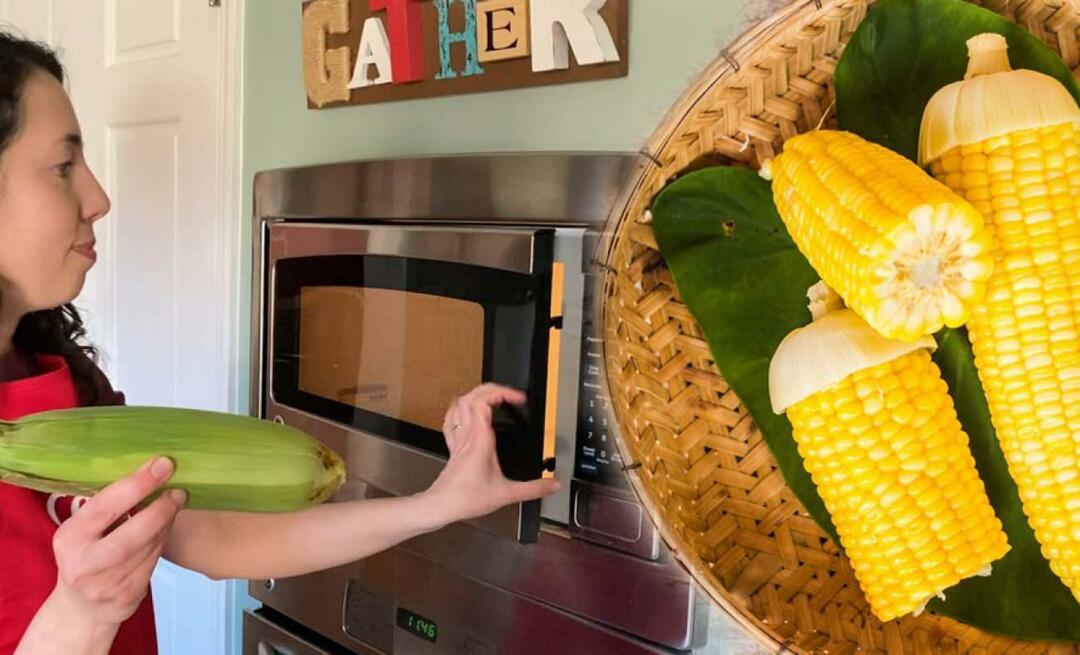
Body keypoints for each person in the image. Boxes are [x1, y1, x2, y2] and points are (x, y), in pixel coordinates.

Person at [0, 32, 560, 655]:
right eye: (62, 166)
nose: (98, 198)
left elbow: (215, 537)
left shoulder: (62, 383)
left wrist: (438, 503)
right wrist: (81, 614)